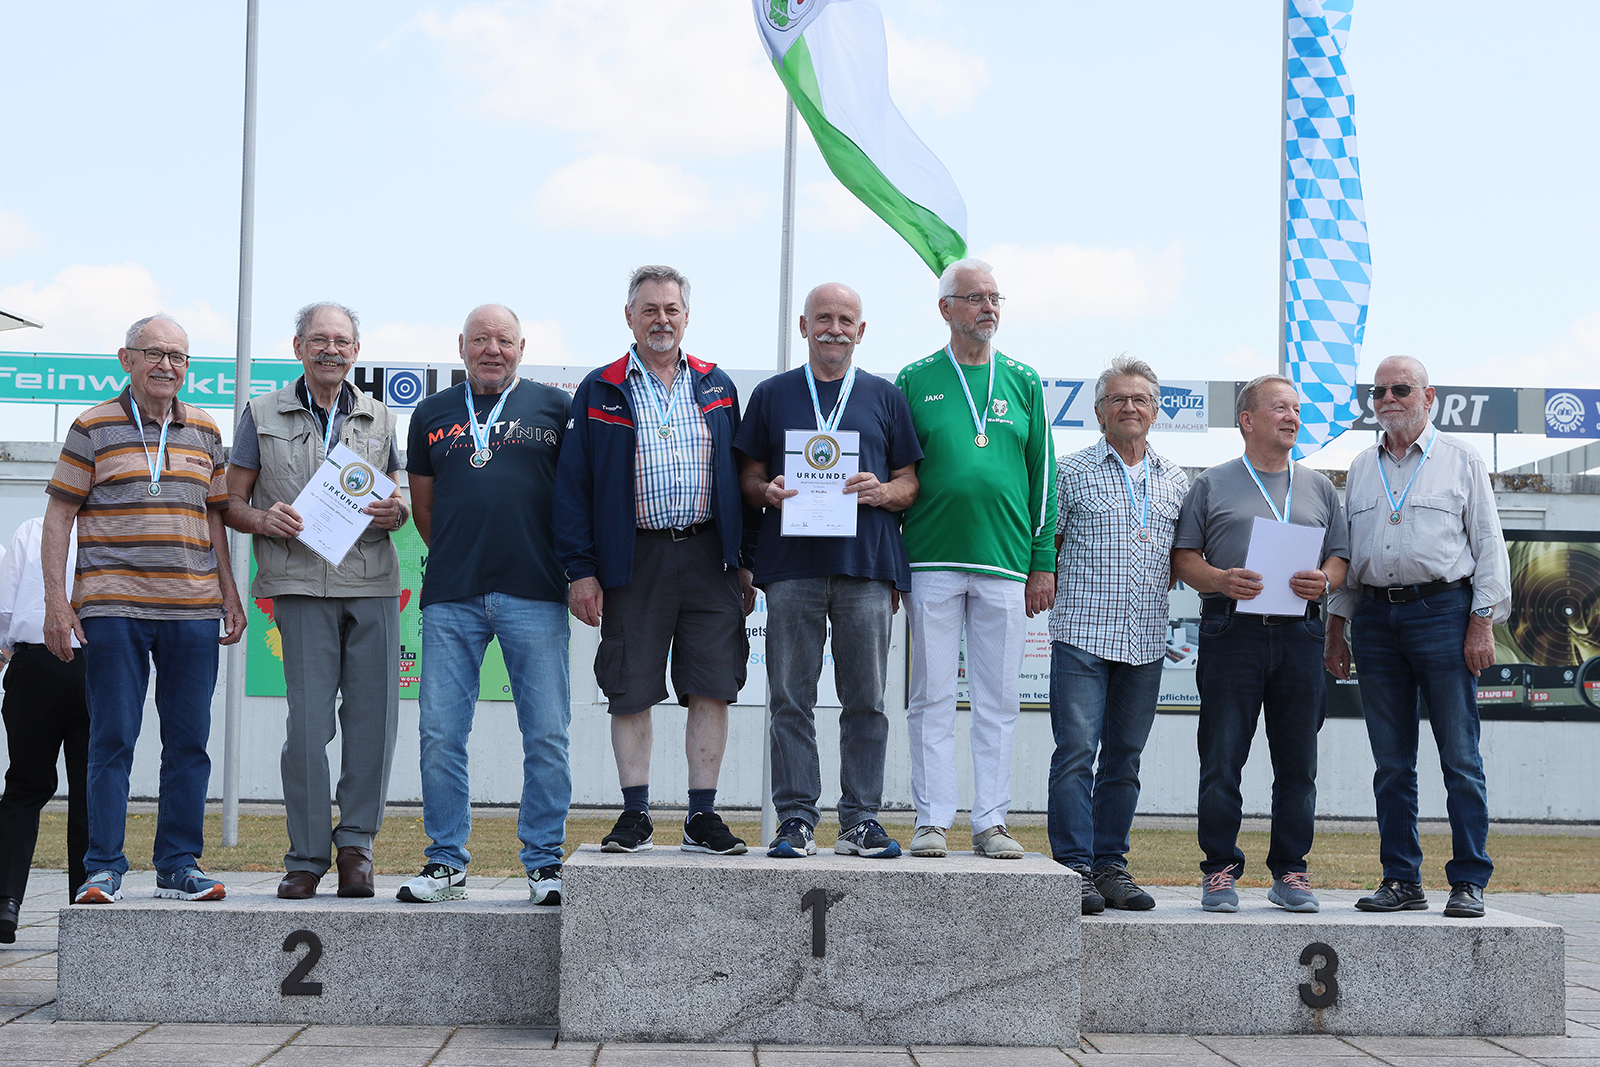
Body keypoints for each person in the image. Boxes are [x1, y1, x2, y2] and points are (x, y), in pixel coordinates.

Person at [42, 313, 246, 905]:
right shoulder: (91, 426)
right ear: (126, 359)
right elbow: (59, 517)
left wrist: (229, 592)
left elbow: (214, 518)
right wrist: (57, 603)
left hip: (193, 609)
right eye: (154, 352)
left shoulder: (205, 428)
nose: (166, 365)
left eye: (178, 356)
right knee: (112, 739)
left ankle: (178, 865)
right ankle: (103, 868)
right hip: (113, 608)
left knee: (190, 743)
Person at [557, 265, 757, 857]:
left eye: (671, 309)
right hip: (633, 556)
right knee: (631, 686)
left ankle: (702, 816)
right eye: (649, 309)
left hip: (708, 555)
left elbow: (740, 477)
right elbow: (573, 488)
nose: (661, 320)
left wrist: (745, 561)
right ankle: (636, 814)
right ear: (629, 317)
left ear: (686, 317)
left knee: (713, 685)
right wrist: (581, 570)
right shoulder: (601, 388)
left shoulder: (716, 385)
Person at [224, 302, 407, 900]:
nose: (331, 350)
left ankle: (356, 847)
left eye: (342, 341)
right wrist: (261, 519)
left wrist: (396, 511)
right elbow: (230, 502)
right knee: (307, 727)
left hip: (371, 582)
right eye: (319, 340)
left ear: (356, 350)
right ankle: (305, 856)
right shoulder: (260, 413)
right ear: (298, 346)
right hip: (298, 584)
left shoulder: (381, 416)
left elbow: (398, 499)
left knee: (373, 722)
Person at [735, 282, 921, 860]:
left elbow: (910, 484)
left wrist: (883, 491)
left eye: (845, 320)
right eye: (823, 318)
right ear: (804, 325)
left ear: (860, 331)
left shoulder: (885, 397)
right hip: (791, 569)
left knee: (866, 699)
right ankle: (795, 818)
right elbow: (747, 477)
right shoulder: (772, 394)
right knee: (790, 698)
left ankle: (860, 819)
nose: (833, 329)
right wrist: (766, 491)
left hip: (867, 568)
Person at [397, 304, 574, 905]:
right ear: (461, 346)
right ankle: (446, 864)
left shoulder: (556, 407)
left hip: (536, 591)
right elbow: (424, 509)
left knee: (546, 733)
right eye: (480, 339)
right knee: (441, 733)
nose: (491, 349)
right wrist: (461, 553)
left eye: (503, 340)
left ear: (522, 347)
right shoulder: (431, 413)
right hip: (452, 595)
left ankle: (544, 864)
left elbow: (574, 497)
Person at [1325, 355, 1509, 919]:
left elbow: (1489, 545)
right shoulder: (1361, 466)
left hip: (1444, 613)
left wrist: (1481, 621)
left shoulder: (1461, 460)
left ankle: (1469, 880)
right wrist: (1337, 628)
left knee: (1460, 755)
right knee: (1391, 761)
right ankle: (1401, 879)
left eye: (1400, 389)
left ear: (1428, 397)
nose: (1387, 399)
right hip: (1376, 619)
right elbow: (1351, 558)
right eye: (1378, 391)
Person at [894, 258, 1056, 859]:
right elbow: (896, 472)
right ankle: (932, 819)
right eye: (974, 298)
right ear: (946, 309)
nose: (988, 307)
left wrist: (1042, 560)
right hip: (930, 559)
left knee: (998, 700)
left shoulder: (1024, 380)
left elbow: (1043, 476)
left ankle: (990, 821)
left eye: (995, 297)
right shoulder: (914, 379)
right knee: (930, 696)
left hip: (1006, 562)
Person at [1172, 374, 1348, 913]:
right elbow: (1184, 559)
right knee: (1222, 757)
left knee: (1298, 762)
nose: (1292, 417)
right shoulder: (1211, 484)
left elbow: (1340, 559)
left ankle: (1291, 871)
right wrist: (1221, 580)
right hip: (1232, 632)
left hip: (1300, 633)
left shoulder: (1319, 487)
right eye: (1280, 408)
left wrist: (1325, 580)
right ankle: (1219, 870)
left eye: (1296, 408)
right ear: (1247, 420)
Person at [1048, 356, 1188, 913]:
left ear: (1155, 410)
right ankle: (1074, 868)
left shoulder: (1176, 479)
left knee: (1125, 758)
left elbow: (1180, 558)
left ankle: (1110, 866)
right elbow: (1049, 547)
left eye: (1140, 399)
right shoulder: (1069, 472)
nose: (1129, 407)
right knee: (1076, 753)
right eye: (1117, 399)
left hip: (1146, 639)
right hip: (1082, 633)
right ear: (1099, 411)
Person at [0, 517, 86, 940]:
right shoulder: (115, 530)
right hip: (95, 666)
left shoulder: (32, 530)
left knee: (23, 786)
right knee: (91, 790)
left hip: (34, 663)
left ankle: (6, 901)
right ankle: (86, 904)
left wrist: (6, 653)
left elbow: (5, 608)